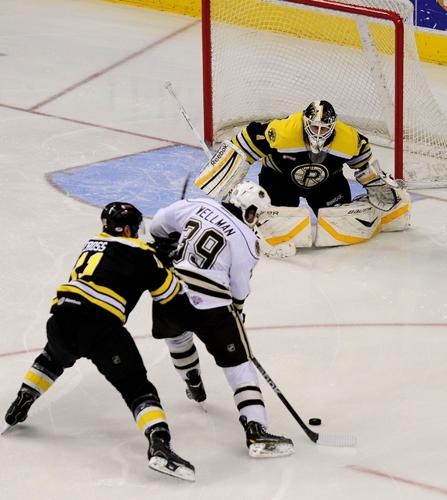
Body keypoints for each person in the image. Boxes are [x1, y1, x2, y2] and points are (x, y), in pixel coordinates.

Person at [3, 202, 195, 482]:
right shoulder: (142, 253)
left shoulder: (93, 242)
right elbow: (170, 295)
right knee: (137, 388)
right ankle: (160, 445)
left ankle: (23, 399)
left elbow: (121, 260)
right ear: (129, 228)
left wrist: (154, 257)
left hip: (60, 319)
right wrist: (164, 263)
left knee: (52, 358)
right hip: (100, 328)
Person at [150, 181, 294, 458]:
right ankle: (256, 429)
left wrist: (165, 243)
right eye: (257, 214)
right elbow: (238, 289)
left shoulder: (197, 205)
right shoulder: (247, 240)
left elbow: (159, 223)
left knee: (177, 336)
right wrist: (237, 314)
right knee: (240, 365)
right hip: (212, 307)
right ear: (250, 212)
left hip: (170, 293)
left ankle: (192, 382)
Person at [194, 100, 410, 252]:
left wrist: (374, 184)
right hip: (280, 180)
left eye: (324, 128)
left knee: (338, 219)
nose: (318, 132)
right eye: (314, 126)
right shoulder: (284, 131)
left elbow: (363, 162)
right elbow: (246, 141)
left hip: (327, 184)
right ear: (305, 122)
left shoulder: (348, 139)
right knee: (276, 215)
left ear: (333, 126)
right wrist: (224, 174)